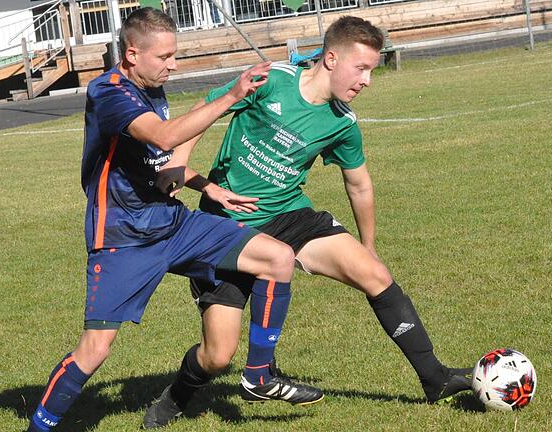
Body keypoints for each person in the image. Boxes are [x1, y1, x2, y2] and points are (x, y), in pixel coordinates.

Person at [143, 15, 473, 428]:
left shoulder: (342, 122)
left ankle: (435, 378)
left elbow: (360, 186)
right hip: (227, 224)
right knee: (217, 356)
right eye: (362, 68)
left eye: (372, 70)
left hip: (290, 216)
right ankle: (178, 396)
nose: (367, 81)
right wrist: (179, 163)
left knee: (374, 274)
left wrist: (368, 246)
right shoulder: (272, 81)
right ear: (331, 59)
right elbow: (203, 111)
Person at [26, 8, 321, 432]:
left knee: (277, 257)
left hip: (174, 225)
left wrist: (205, 186)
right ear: (131, 54)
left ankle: (258, 375)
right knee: (94, 350)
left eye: (174, 55)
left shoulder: (150, 87)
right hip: (123, 237)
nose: (173, 64)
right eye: (164, 56)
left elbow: (159, 163)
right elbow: (166, 137)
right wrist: (231, 95)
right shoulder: (108, 92)